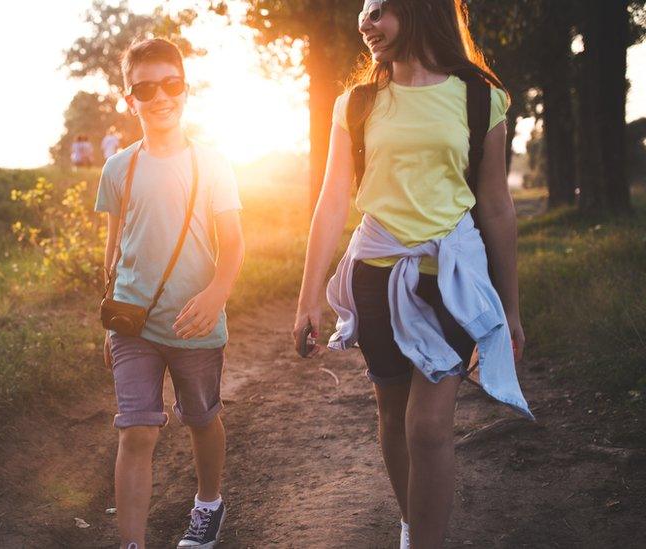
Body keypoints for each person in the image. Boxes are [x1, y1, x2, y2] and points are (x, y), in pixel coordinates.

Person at [292, 1, 533, 548]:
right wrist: (310, 296)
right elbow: (332, 204)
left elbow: (496, 207)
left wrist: (510, 309)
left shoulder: (480, 98)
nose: (364, 22)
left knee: (428, 426)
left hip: (449, 276)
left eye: (377, 11)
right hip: (375, 276)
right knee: (393, 411)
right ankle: (411, 525)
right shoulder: (357, 103)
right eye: (361, 12)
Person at [95, 38, 245, 549]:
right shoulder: (117, 168)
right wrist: (112, 323)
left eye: (171, 83)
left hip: (195, 323)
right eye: (145, 87)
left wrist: (215, 296)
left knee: (201, 419)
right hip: (135, 325)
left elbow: (235, 246)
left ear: (187, 89)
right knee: (136, 431)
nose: (160, 96)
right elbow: (114, 254)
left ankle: (208, 504)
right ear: (128, 96)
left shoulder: (213, 164)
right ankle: (132, 544)